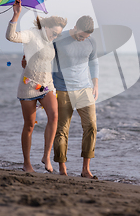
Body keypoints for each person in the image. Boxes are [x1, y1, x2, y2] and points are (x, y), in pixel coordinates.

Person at [6, 0, 67, 173]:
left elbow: (47, 65)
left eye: (57, 35)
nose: (55, 37)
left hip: (47, 86)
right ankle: (27, 163)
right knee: (29, 126)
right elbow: (11, 37)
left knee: (54, 116)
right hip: (29, 85)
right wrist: (16, 15)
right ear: (46, 27)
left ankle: (46, 156)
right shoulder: (32, 34)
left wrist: (53, 88)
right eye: (54, 33)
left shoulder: (50, 40)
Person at [52, 16, 99, 179]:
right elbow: (47, 61)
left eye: (85, 37)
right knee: (62, 130)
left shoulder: (91, 42)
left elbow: (93, 63)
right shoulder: (59, 39)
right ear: (75, 27)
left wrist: (95, 84)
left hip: (84, 89)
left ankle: (86, 169)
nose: (82, 39)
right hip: (62, 89)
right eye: (81, 35)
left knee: (91, 126)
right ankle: (62, 167)